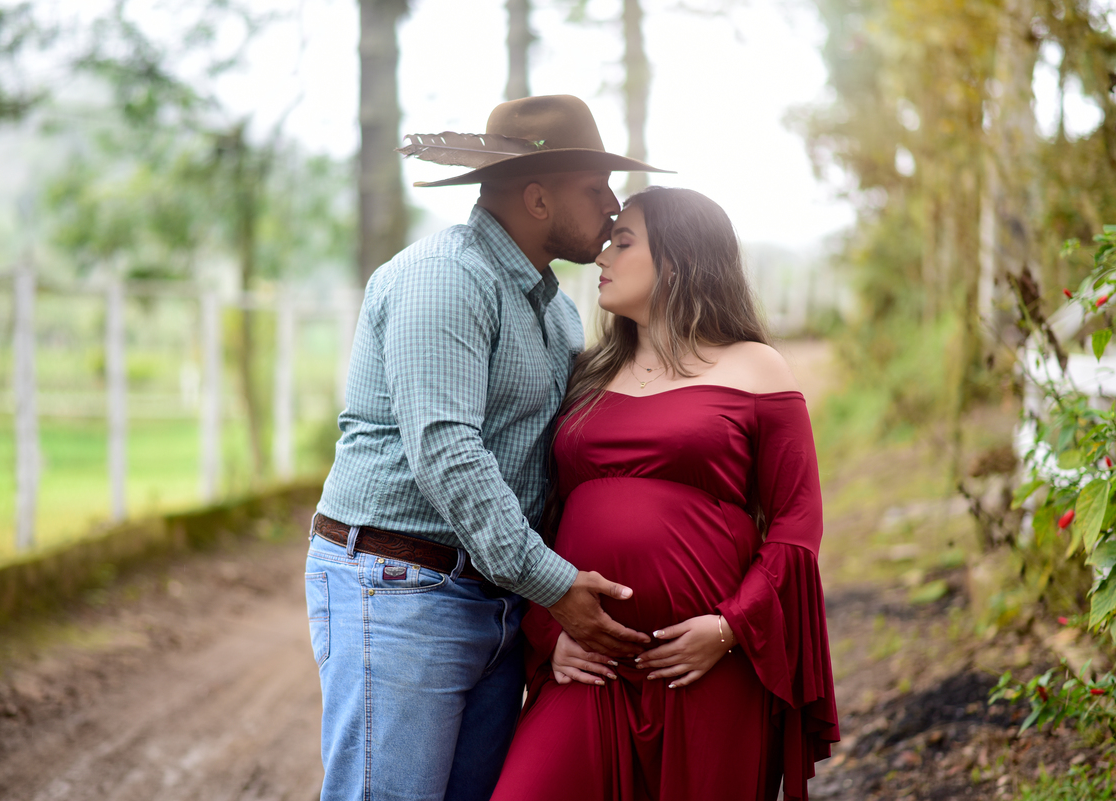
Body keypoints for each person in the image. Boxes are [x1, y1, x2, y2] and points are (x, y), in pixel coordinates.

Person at [303, 95, 671, 801]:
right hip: (402, 585)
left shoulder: (555, 311)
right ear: (537, 197)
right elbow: (448, 453)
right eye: (595, 189)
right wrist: (557, 586)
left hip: (495, 598)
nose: (612, 204)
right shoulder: (445, 279)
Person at [490, 186, 841, 801]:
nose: (602, 257)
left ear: (679, 260)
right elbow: (538, 512)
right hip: (591, 663)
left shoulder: (757, 368)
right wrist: (550, 633)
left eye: (623, 243)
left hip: (705, 667)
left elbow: (796, 524)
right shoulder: (585, 374)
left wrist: (731, 628)